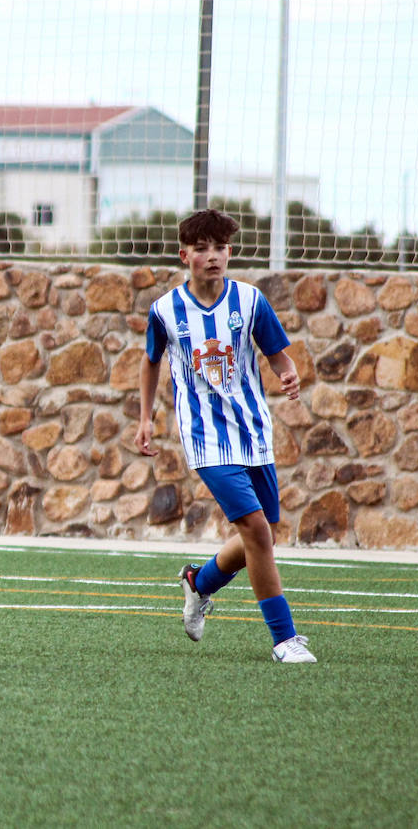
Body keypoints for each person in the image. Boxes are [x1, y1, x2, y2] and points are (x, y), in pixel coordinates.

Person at [133, 208, 316, 663]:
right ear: (185, 256)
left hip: (253, 431)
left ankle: (199, 584)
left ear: (229, 253)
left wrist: (289, 375)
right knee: (255, 528)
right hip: (204, 438)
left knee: (264, 536)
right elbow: (150, 360)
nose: (212, 257)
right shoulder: (165, 310)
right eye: (201, 249)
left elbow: (278, 356)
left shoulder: (250, 301)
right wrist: (144, 417)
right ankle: (284, 639)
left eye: (219, 248)